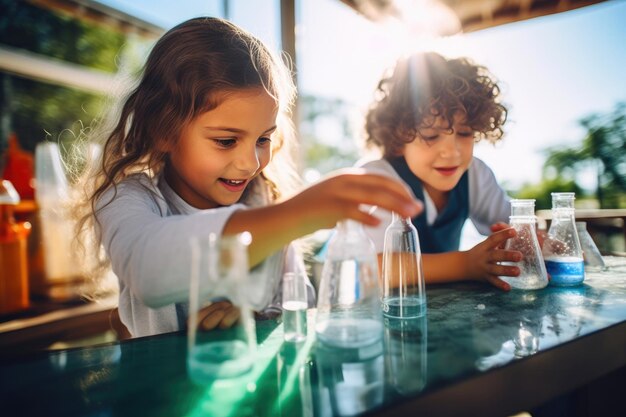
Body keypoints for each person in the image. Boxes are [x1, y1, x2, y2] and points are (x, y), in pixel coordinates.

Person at [74, 17, 421, 338]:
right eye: (226, 141)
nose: (250, 162)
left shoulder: (263, 201)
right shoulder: (126, 198)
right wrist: (295, 214)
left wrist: (257, 316)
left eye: (263, 139)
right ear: (163, 130)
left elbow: (299, 304)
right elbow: (147, 270)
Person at [360, 51, 521, 290]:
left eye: (465, 133)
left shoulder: (475, 175)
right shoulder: (376, 179)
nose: (452, 152)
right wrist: (466, 264)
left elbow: (512, 225)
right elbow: (373, 269)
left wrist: (521, 241)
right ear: (398, 138)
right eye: (430, 136)